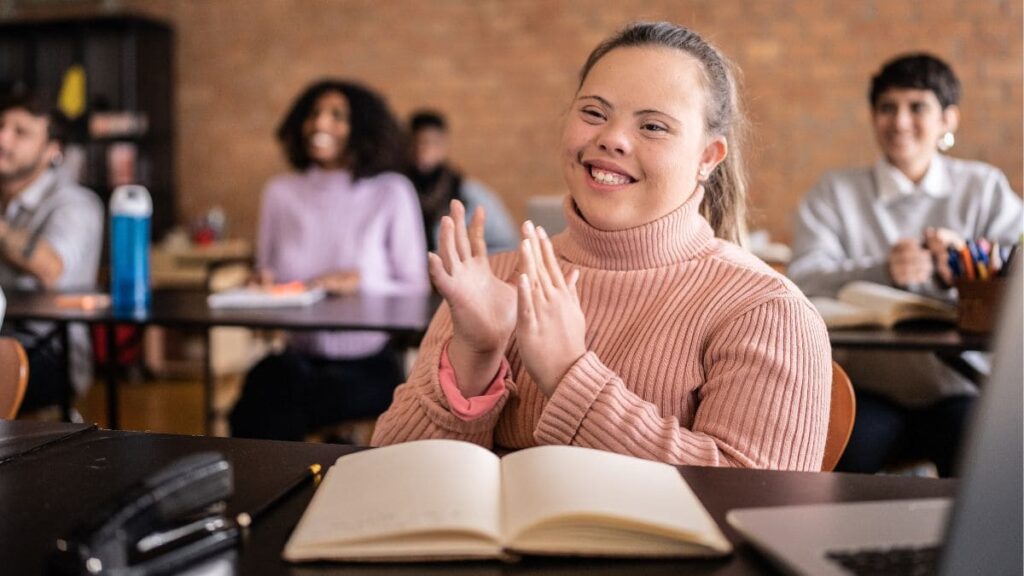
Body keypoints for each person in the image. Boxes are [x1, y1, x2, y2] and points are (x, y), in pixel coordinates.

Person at [373, 22, 832, 470]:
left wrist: (569, 375)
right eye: (593, 112)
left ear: (708, 157)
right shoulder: (490, 281)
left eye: (653, 126)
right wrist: (475, 353)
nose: (610, 138)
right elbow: (390, 481)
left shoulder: (766, 310)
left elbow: (752, 505)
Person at [788, 54, 1023, 476]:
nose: (899, 121)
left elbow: (1016, 265)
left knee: (991, 473)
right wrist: (882, 270)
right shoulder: (834, 191)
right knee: (835, 468)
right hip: (867, 390)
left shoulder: (983, 186)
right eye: (887, 107)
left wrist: (972, 264)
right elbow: (802, 279)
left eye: (917, 107)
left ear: (948, 120)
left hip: (961, 387)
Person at [229, 79, 430, 440]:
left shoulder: (390, 192)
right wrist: (261, 281)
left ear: (364, 129)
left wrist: (361, 282)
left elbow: (416, 288)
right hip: (296, 358)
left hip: (368, 363)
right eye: (314, 114)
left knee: (285, 405)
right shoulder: (280, 193)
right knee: (262, 394)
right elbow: (267, 269)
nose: (320, 124)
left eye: (337, 116)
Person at [0, 89, 103, 414]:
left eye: (21, 132)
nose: (3, 139)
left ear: (52, 151)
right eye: (0, 126)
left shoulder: (76, 204)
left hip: (50, 350)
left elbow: (51, 269)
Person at [407, 110, 518, 253]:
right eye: (417, 142)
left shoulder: (469, 193)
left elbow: (505, 244)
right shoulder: (398, 190)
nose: (423, 150)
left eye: (431, 143)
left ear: (443, 146)